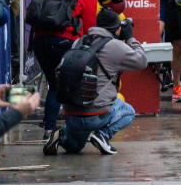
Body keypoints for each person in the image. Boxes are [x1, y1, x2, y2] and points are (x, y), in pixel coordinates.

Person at [45, 9, 147, 156]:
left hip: (72, 113)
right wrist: (130, 37)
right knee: (128, 111)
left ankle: (61, 136)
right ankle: (103, 135)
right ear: (117, 29)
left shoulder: (79, 41)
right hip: (97, 115)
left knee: (74, 148)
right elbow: (142, 61)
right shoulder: (114, 45)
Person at [32, 0, 98, 140]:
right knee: (71, 86)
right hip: (65, 42)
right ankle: (74, 130)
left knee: (54, 85)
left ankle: (49, 130)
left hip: (39, 41)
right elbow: (90, 29)